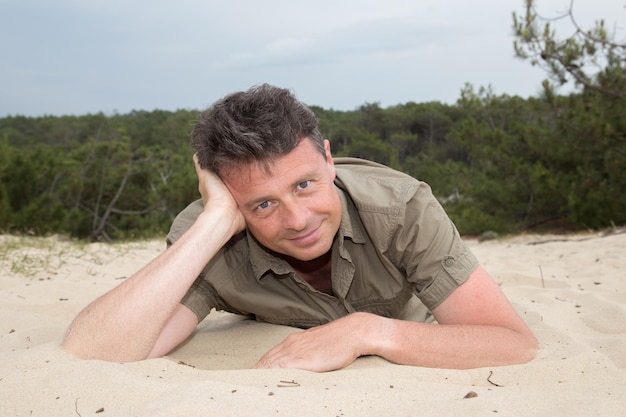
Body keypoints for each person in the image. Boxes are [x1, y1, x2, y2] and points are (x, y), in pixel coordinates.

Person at [62, 84, 538, 372]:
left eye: (305, 184)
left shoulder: (403, 208)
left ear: (329, 158)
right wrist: (214, 224)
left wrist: (368, 332)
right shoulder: (211, 234)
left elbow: (512, 342)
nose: (297, 220)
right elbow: (90, 353)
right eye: (263, 203)